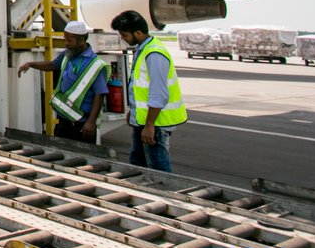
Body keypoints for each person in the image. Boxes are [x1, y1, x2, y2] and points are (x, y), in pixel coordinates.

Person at [110, 10, 188, 172]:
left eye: (124, 35)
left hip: (156, 123)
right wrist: (134, 111)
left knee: (158, 169)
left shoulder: (154, 54)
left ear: (137, 32)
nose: (123, 39)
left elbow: (158, 93)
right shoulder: (143, 49)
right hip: (144, 120)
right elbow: (141, 88)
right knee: (138, 164)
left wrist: (150, 125)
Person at [17, 20, 109, 143]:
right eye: (65, 39)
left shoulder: (96, 65)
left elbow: (100, 94)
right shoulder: (67, 55)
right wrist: (31, 64)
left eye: (69, 41)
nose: (66, 43)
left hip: (81, 124)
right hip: (64, 120)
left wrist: (91, 122)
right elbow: (52, 65)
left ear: (81, 41)